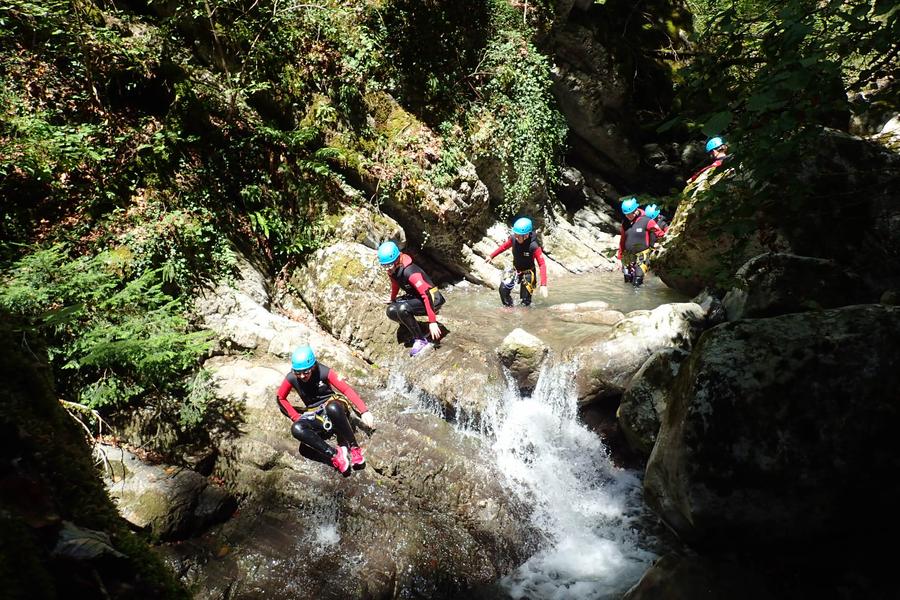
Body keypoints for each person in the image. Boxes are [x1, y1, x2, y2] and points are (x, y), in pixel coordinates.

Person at [276, 345, 375, 475]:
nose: (302, 376)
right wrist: (296, 417)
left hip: (335, 407)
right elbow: (280, 398)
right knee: (297, 429)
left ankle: (354, 448)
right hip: (317, 414)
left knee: (332, 407)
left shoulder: (323, 372)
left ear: (313, 366)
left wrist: (364, 411)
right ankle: (335, 455)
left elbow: (346, 390)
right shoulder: (291, 378)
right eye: (297, 372)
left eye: (306, 371)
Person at [378, 241, 445, 357]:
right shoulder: (393, 270)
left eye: (389, 265)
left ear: (397, 260)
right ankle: (413, 327)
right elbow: (395, 284)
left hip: (433, 298)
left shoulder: (410, 272)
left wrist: (432, 321)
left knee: (403, 309)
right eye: (384, 266)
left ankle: (420, 340)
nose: (387, 269)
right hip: (416, 297)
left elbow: (426, 295)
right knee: (391, 310)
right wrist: (392, 299)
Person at [487, 217, 548, 307]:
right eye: (515, 234)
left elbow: (542, 264)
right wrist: (491, 256)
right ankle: (509, 308)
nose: (516, 237)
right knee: (502, 289)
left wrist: (543, 285)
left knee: (525, 301)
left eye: (518, 235)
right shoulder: (513, 239)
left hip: (528, 273)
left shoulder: (534, 246)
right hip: (516, 270)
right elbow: (503, 247)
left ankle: (524, 314)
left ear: (526, 235)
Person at [617, 197, 665, 287]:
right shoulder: (625, 223)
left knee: (637, 282)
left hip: (642, 256)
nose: (627, 216)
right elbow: (622, 241)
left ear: (635, 210)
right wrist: (619, 258)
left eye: (629, 214)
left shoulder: (647, 221)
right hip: (628, 256)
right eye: (626, 214)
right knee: (627, 281)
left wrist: (659, 244)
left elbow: (661, 234)